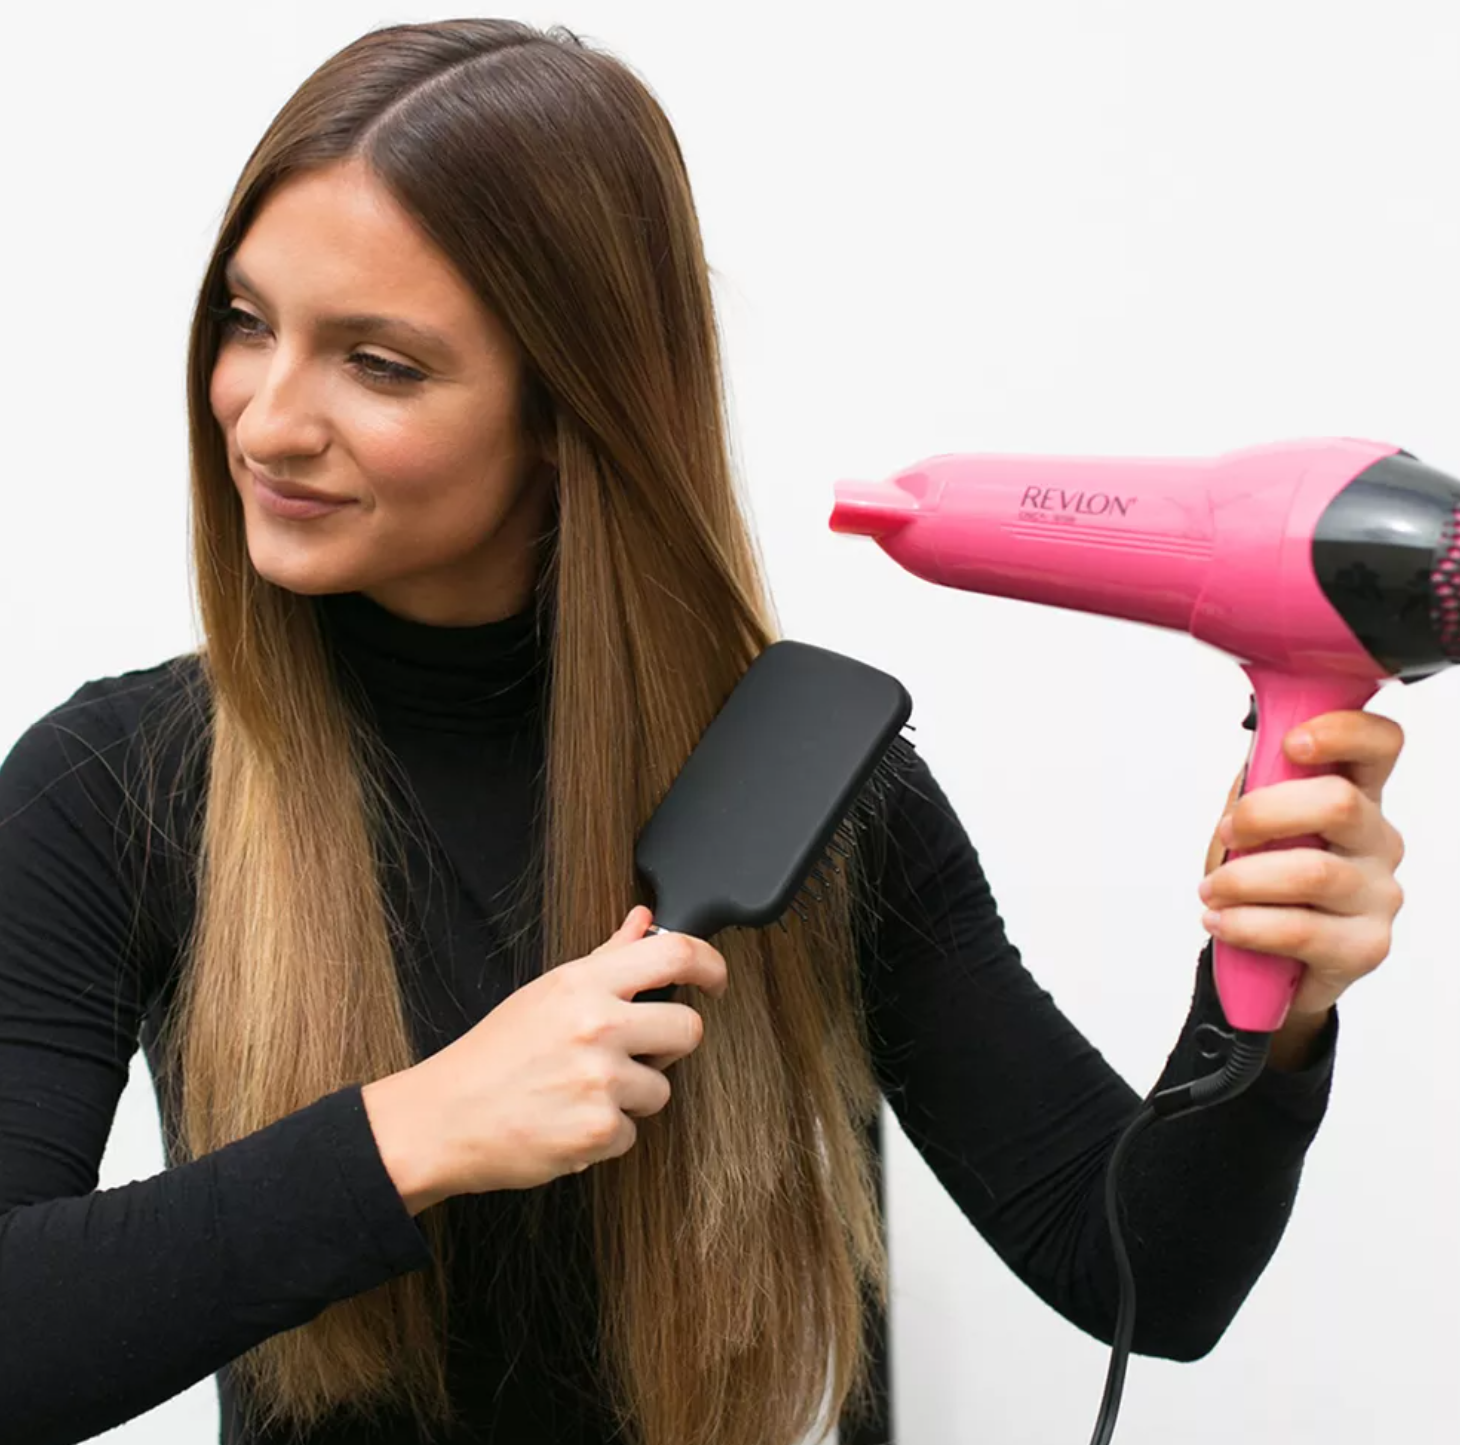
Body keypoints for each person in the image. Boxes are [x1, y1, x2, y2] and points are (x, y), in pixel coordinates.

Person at [0, 18, 1408, 1445]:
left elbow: (1145, 1281)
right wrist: (416, 1132)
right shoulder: (119, 788)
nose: (263, 421)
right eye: (248, 323)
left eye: (379, 363)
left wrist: (1275, 1009)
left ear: (570, 404)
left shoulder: (806, 784)